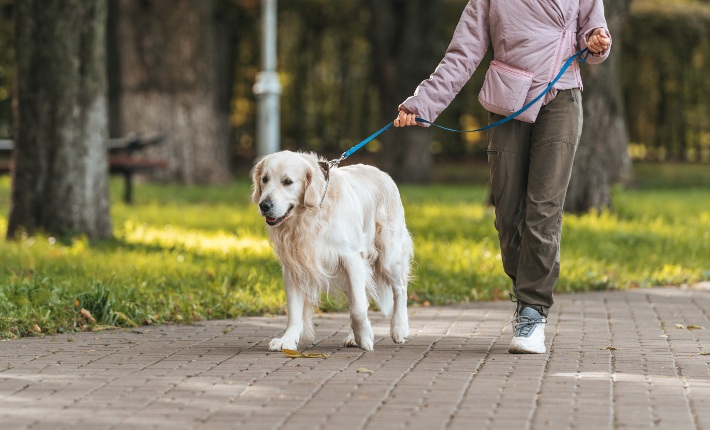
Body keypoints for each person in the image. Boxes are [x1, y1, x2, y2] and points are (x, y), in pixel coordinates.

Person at [394, 0, 612, 354]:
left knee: (543, 209)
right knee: (508, 214)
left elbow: (594, 35)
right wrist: (423, 103)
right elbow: (462, 53)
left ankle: (532, 310)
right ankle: (526, 286)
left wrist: (598, 41)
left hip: (561, 99)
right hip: (509, 99)